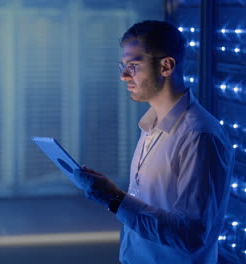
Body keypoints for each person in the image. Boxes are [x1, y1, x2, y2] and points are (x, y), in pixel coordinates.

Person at [74, 20, 234, 263]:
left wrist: (115, 198)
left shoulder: (199, 135)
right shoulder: (151, 125)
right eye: (123, 66)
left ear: (166, 66)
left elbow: (192, 234)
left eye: (133, 66)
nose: (124, 76)